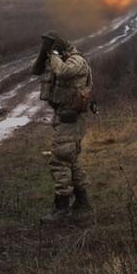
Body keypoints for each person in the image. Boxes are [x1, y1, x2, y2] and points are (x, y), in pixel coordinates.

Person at [36, 31, 94, 223]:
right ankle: (82, 202)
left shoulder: (76, 61)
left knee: (60, 161)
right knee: (71, 160)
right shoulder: (61, 60)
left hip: (71, 118)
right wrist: (45, 54)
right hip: (64, 117)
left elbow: (63, 72)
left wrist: (53, 55)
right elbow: (35, 70)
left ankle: (62, 209)